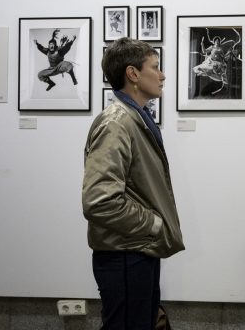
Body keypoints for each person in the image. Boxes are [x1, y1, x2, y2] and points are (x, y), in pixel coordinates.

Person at [82, 38, 185, 330]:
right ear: (133, 74)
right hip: (125, 253)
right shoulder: (117, 123)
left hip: (136, 249)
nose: (163, 75)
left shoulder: (135, 118)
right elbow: (99, 201)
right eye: (155, 67)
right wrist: (153, 224)